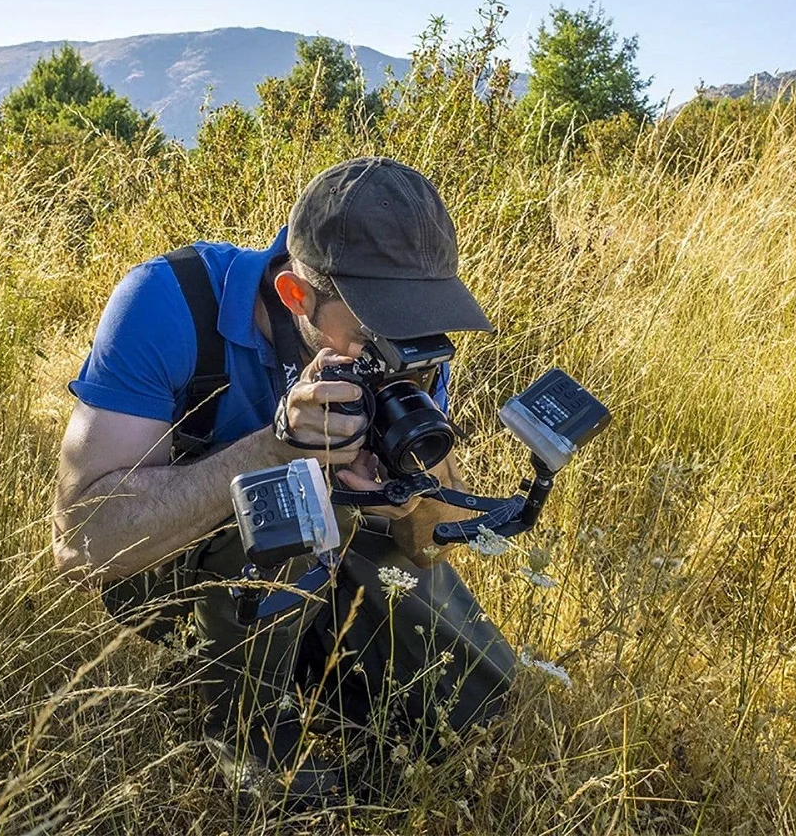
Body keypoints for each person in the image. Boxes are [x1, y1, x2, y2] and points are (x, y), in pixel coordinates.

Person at [52, 156, 516, 806]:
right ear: (296, 295)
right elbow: (83, 541)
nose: (398, 344)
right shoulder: (168, 300)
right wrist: (272, 448)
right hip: (169, 567)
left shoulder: (407, 345)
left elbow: (431, 546)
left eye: (416, 324)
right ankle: (247, 743)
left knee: (477, 707)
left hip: (333, 562)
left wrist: (398, 485)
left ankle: (344, 716)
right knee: (290, 500)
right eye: (372, 330)